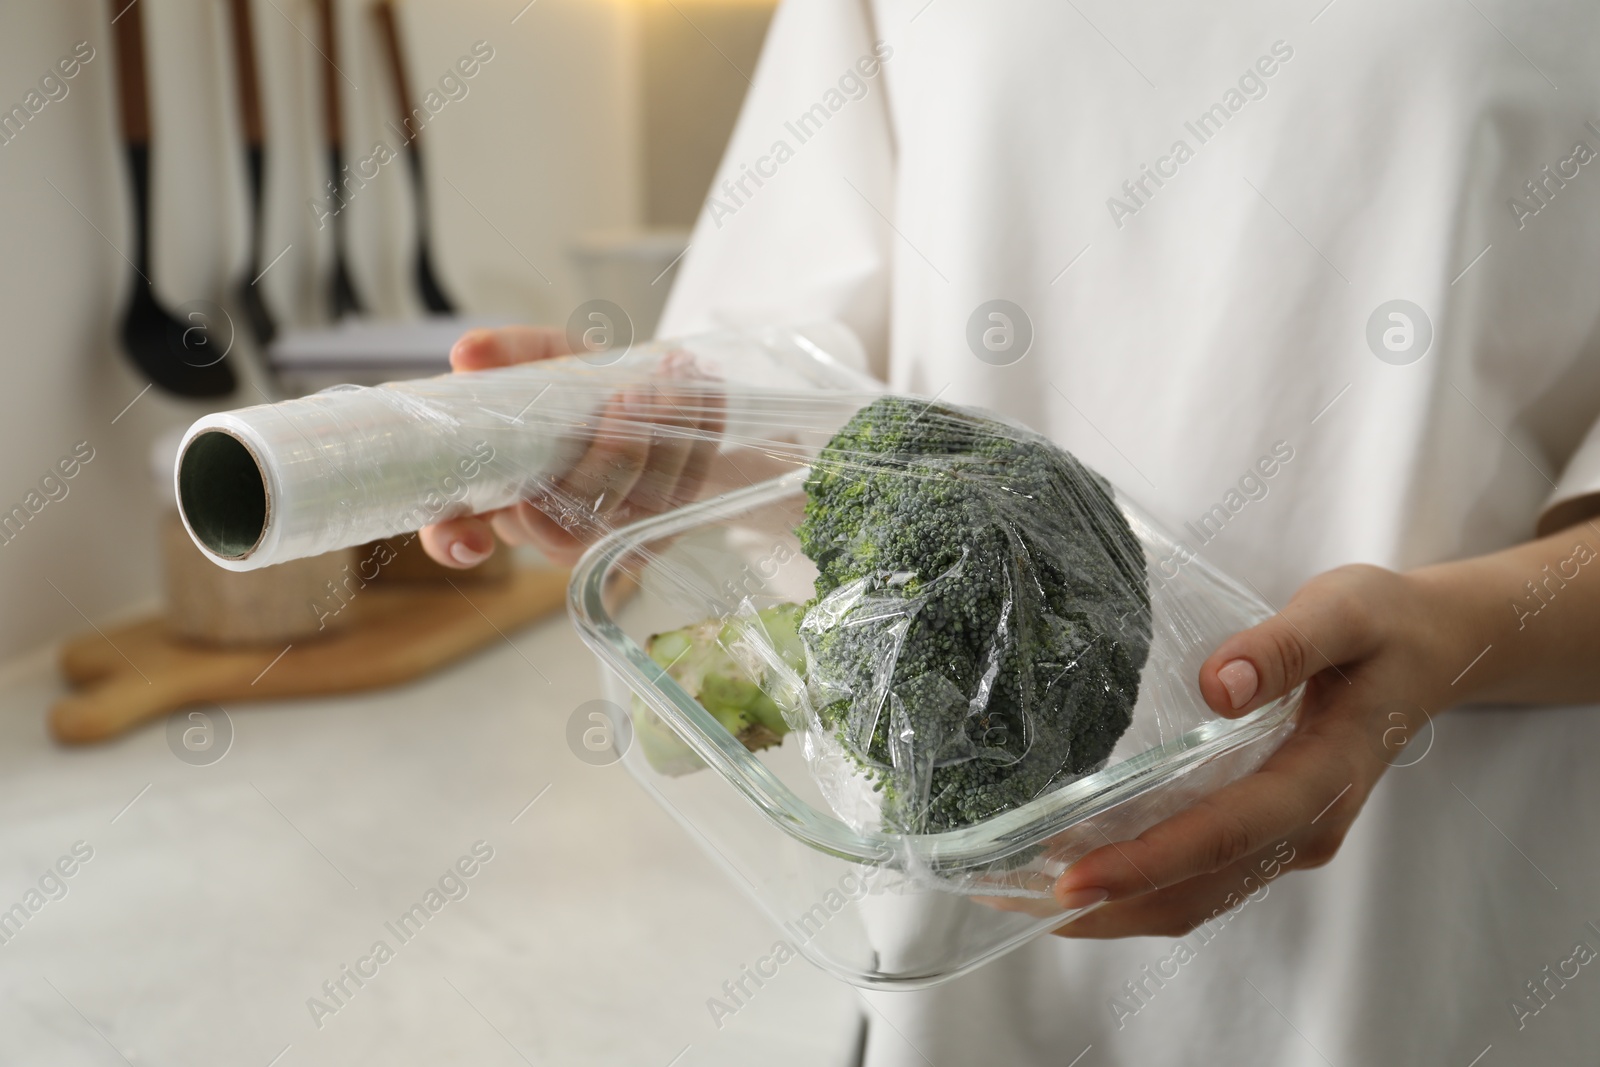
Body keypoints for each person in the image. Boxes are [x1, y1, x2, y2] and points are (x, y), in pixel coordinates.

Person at [424, 1, 1600, 1062]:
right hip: (967, 984)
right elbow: (794, 379)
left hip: (1443, 952)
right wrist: (641, 435)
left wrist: (1447, 638)